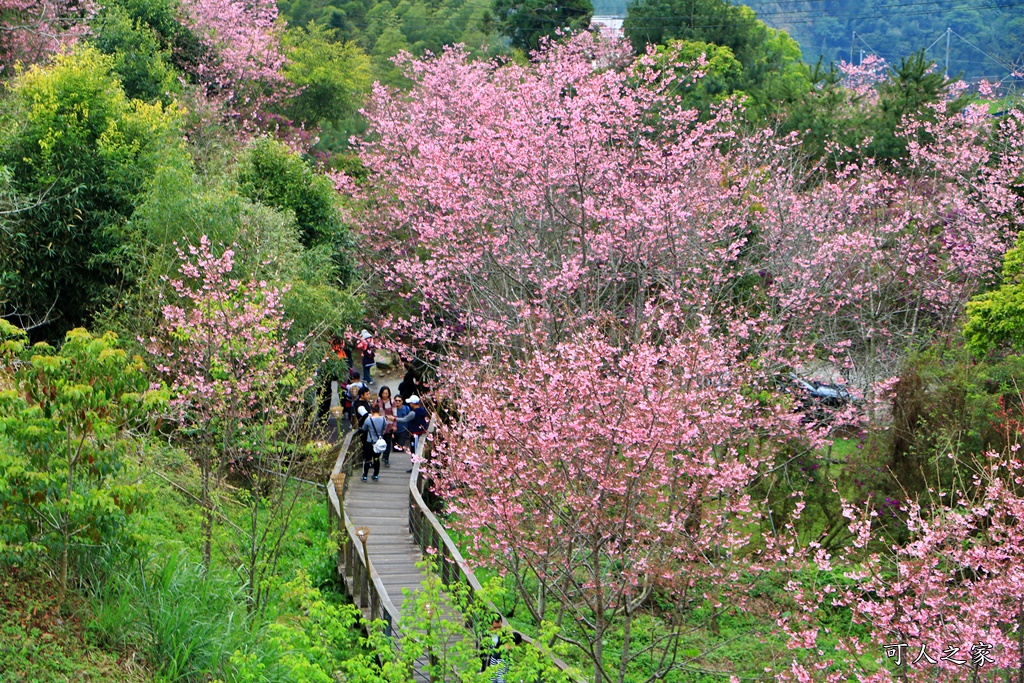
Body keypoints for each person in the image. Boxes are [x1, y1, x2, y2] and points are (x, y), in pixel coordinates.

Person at [480, 615, 522, 683]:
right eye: (495, 627)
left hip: (492, 663)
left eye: (499, 627)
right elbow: (500, 678)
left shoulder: (503, 636)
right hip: (491, 663)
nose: (497, 630)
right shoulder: (485, 634)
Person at [394, 395, 428, 471]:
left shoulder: (413, 413)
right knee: (417, 450)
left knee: (415, 450)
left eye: (410, 403)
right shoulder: (422, 410)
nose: (409, 404)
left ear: (413, 403)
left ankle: (415, 468)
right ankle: (416, 467)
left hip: (416, 434)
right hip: (421, 432)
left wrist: (394, 419)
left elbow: (404, 419)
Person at [359, 404, 387, 481]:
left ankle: (365, 476)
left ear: (371, 410)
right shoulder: (383, 419)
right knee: (377, 459)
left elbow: (364, 429)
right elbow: (384, 428)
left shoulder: (368, 420)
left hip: (369, 442)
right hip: (379, 442)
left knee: (368, 459)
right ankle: (375, 475)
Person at [372, 386, 397, 468]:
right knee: (378, 441)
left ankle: (386, 458)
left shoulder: (392, 401)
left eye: (386, 393)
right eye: (383, 393)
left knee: (388, 441)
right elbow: (374, 410)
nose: (385, 395)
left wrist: (394, 425)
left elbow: (394, 414)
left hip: (389, 424)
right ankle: (377, 458)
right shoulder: (378, 400)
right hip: (379, 424)